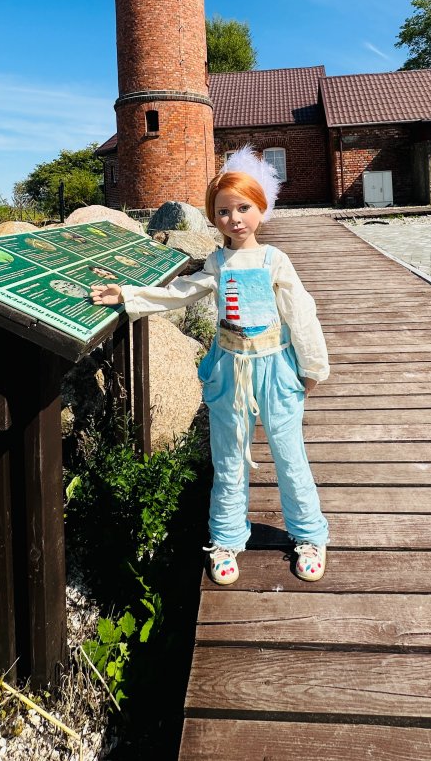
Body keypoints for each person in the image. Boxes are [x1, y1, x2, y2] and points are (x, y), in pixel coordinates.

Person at [90, 145, 329, 586]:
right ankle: (226, 537)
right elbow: (181, 292)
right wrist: (127, 294)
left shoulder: (276, 260)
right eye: (223, 212)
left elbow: (301, 312)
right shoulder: (217, 262)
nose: (234, 219)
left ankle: (309, 534)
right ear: (213, 217)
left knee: (289, 452)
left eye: (243, 208)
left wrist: (311, 367)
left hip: (275, 367)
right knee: (229, 455)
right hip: (229, 368)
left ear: (261, 208)